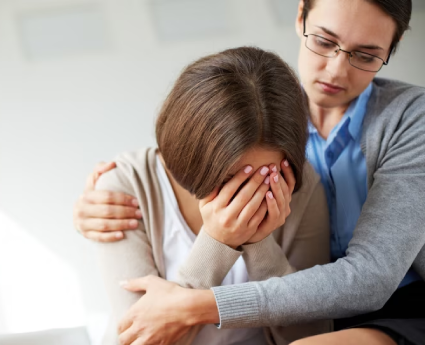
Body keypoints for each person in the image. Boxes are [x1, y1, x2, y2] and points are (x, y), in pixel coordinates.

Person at [74, 0, 425, 344]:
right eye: (323, 41)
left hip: (399, 306)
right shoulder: (262, 113)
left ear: (391, 48)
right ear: (301, 16)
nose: (335, 71)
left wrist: (203, 296)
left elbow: (367, 281)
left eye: (365, 55)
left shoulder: (405, 122)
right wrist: (90, 206)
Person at [91, 46, 331, 345]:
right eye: (232, 178)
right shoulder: (126, 184)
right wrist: (217, 242)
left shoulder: (300, 184)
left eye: (263, 179)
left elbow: (313, 337)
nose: (245, 197)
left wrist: (259, 243)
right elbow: (140, 337)